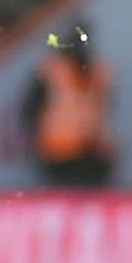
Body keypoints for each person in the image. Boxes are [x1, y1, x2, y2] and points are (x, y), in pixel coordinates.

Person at [22, 23, 117, 186]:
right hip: (59, 153)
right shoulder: (53, 71)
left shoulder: (99, 71)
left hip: (93, 153)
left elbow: (106, 108)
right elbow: (30, 109)